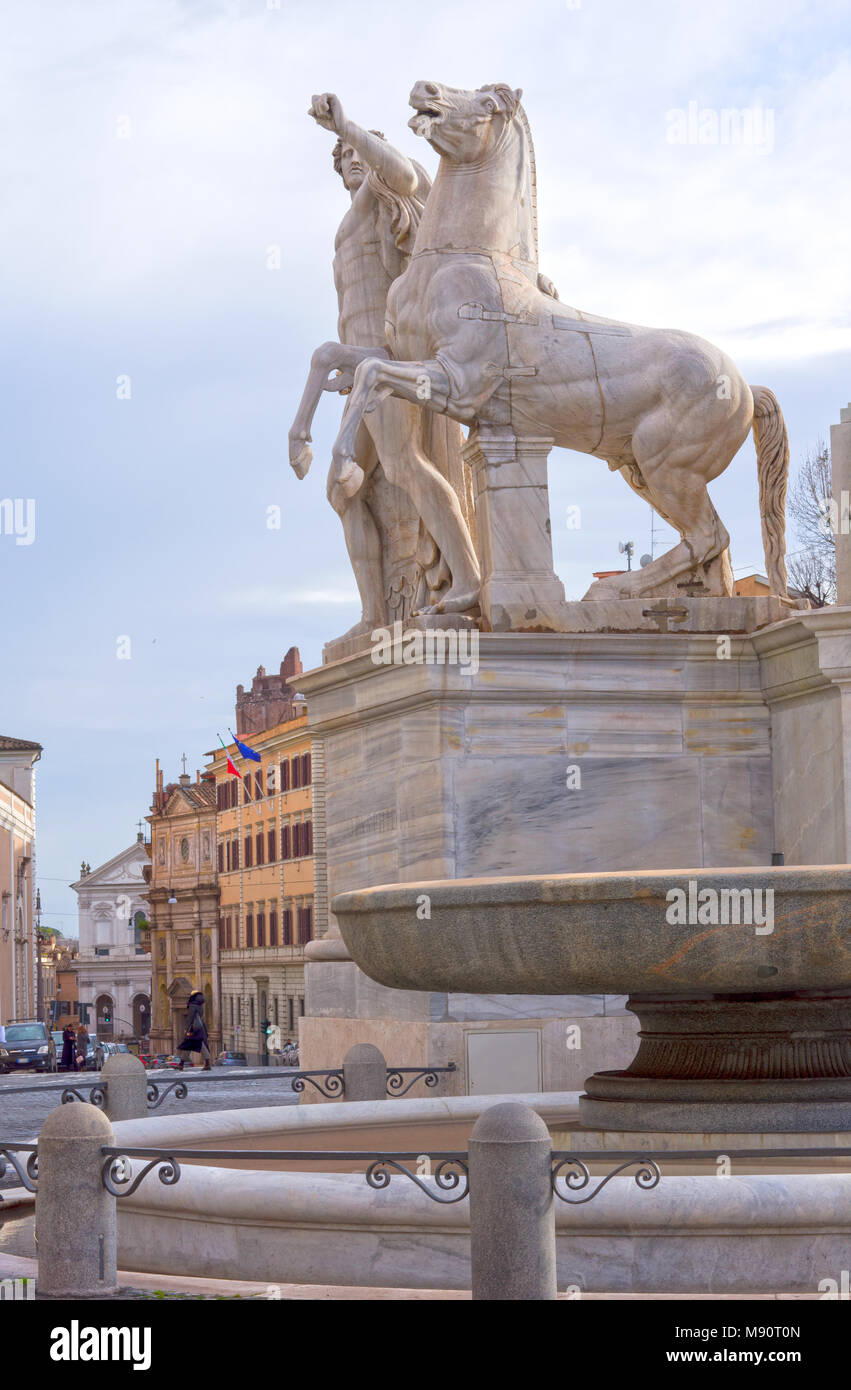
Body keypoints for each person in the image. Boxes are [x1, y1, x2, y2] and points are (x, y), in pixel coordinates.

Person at [177, 989, 211, 1071]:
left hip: (193, 1029)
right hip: (200, 1028)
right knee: (191, 1045)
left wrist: (186, 1028)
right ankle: (181, 1064)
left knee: (193, 1045)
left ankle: (207, 1063)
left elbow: (190, 1018)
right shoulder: (200, 1005)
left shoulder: (192, 1005)